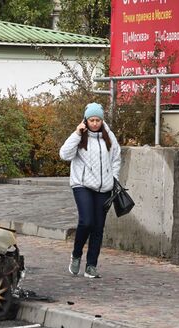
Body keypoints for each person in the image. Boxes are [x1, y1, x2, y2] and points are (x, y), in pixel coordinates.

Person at [59, 102, 121, 278]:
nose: (95, 123)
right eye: (92, 120)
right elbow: (64, 154)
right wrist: (77, 133)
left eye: (98, 120)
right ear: (86, 120)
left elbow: (116, 157)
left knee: (98, 227)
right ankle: (76, 254)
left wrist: (113, 178)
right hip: (82, 185)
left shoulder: (109, 136)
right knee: (86, 222)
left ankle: (91, 265)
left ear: (102, 120)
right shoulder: (80, 136)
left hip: (105, 187)